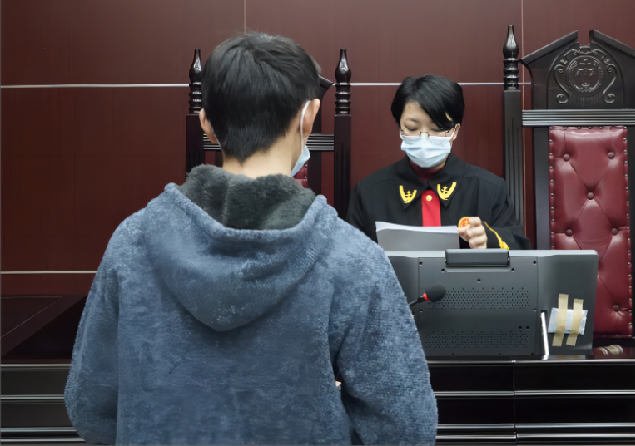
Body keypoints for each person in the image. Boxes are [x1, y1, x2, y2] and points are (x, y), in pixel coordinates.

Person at [64, 32, 437, 446]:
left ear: (206, 123)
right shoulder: (351, 258)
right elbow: (404, 427)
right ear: (309, 117)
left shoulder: (132, 244)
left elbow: (90, 408)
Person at [345, 75, 530, 250]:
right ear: (400, 127)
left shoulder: (489, 189)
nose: (424, 137)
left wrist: (488, 239)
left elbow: (521, 251)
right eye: (412, 128)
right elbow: (348, 259)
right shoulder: (368, 193)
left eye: (437, 129)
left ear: (455, 131)